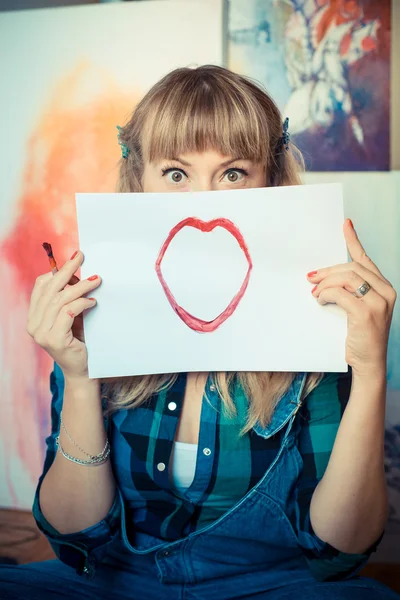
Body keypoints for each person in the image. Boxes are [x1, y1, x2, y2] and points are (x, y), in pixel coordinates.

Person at [0, 65, 398, 600]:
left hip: (271, 587)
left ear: (271, 182)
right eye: (176, 174)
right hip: (121, 582)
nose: (203, 201)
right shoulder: (94, 318)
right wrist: (77, 376)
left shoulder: (316, 323)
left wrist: (370, 371)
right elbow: (75, 539)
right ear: (139, 180)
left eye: (233, 173)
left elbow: (339, 552)